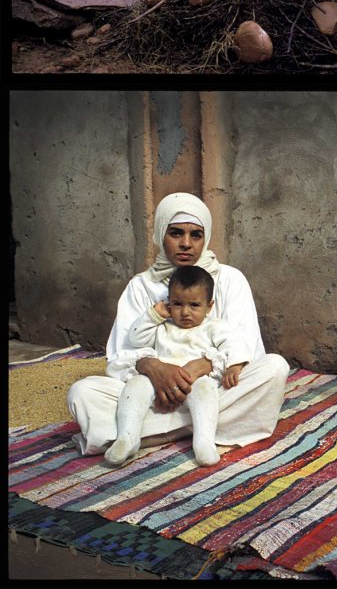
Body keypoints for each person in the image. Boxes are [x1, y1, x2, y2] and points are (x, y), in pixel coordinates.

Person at [68, 192, 290, 460]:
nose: (186, 243)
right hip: (151, 389)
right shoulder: (141, 286)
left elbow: (245, 346)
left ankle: (143, 432)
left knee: (274, 368)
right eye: (175, 233)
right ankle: (198, 431)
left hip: (212, 388)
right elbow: (121, 354)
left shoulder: (230, 279)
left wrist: (205, 366)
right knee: (83, 392)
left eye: (196, 235)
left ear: (205, 238)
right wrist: (156, 369)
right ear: (161, 234)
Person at [104, 265, 250, 467]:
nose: (185, 312)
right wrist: (155, 315)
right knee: (135, 384)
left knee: (207, 388)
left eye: (194, 305)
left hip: (195, 384)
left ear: (209, 306)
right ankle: (127, 437)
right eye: (177, 304)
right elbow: (135, 338)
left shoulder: (214, 326)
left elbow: (234, 344)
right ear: (168, 303)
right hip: (160, 387)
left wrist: (234, 366)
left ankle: (203, 442)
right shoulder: (163, 325)